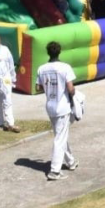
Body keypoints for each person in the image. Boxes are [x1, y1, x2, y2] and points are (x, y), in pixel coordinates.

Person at [36, 41, 79, 180]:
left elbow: (38, 88)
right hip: (62, 106)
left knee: (60, 134)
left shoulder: (41, 69)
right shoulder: (65, 67)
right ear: (59, 52)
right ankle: (55, 170)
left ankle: (71, 161)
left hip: (50, 106)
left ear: (48, 52)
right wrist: (74, 94)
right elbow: (71, 88)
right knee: (60, 138)